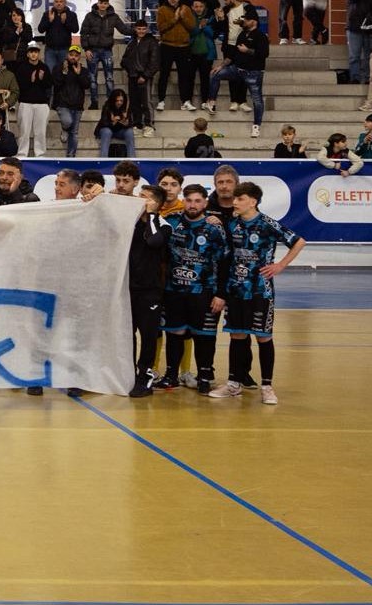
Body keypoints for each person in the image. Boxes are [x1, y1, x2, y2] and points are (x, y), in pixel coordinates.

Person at [208, 183, 305, 404]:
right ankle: (234, 384)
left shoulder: (267, 224)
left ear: (252, 201)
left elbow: (299, 242)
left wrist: (280, 265)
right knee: (237, 335)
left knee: (263, 337)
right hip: (236, 290)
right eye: (234, 198)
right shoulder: (232, 224)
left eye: (239, 199)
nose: (234, 202)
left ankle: (267, 387)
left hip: (261, 291)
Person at [157, 183, 224, 395]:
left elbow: (224, 263)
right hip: (174, 291)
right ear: (183, 201)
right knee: (175, 332)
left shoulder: (214, 228)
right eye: (189, 200)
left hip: (203, 292)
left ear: (205, 203)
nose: (192, 205)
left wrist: (221, 294)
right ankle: (171, 375)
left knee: (203, 335)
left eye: (197, 201)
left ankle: (204, 376)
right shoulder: (171, 221)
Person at [127, 183, 171, 397]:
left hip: (150, 290)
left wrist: (152, 215)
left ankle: (145, 375)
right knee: (127, 334)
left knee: (148, 335)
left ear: (155, 203)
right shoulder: (131, 221)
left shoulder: (163, 225)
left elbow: (154, 241)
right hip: (127, 289)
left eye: (143, 196)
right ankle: (128, 373)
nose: (138, 198)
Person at [202, 11, 268, 138]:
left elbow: (264, 54)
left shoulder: (261, 36)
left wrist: (247, 50)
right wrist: (221, 66)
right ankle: (212, 103)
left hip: (253, 73)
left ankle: (256, 126)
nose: (244, 22)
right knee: (215, 74)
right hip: (237, 69)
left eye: (246, 20)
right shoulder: (242, 34)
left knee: (257, 100)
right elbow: (233, 54)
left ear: (253, 21)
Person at [80, 0, 127, 108]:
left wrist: (136, 31)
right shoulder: (89, 16)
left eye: (105, 3)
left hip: (107, 51)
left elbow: (123, 29)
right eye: (101, 3)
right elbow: (84, 33)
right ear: (97, 3)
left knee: (109, 78)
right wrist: (86, 49)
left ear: (108, 4)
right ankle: (94, 103)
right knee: (92, 78)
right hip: (92, 50)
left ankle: (110, 104)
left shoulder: (114, 16)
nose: (103, 5)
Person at [155, 0, 197, 111]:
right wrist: (174, 19)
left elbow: (192, 27)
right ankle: (161, 101)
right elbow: (160, 27)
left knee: (184, 75)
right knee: (164, 74)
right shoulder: (162, 9)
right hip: (167, 45)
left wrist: (183, 17)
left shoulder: (186, 9)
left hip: (183, 46)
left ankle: (185, 101)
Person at [121, 21, 159, 137]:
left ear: (147, 29)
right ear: (135, 29)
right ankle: (137, 125)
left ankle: (149, 126)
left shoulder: (152, 42)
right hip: (132, 76)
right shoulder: (132, 42)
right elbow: (124, 60)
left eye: (143, 29)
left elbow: (154, 62)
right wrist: (130, 70)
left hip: (145, 77)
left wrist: (145, 75)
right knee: (134, 102)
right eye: (139, 29)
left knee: (146, 102)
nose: (141, 31)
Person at [15, 45, 51, 157]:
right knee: (24, 131)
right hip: (25, 103)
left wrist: (41, 79)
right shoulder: (22, 68)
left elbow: (49, 85)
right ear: (27, 54)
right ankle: (22, 154)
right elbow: (19, 86)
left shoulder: (44, 67)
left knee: (40, 132)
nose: (33, 54)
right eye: (31, 52)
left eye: (35, 52)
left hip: (41, 103)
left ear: (39, 54)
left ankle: (40, 154)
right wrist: (30, 80)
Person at [52, 46, 87, 157]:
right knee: (67, 122)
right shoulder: (59, 67)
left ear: (79, 57)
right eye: (71, 55)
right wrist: (64, 73)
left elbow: (86, 85)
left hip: (77, 105)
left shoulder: (83, 70)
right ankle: (64, 128)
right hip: (62, 104)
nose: (73, 57)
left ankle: (71, 156)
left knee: (74, 133)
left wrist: (79, 74)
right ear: (67, 55)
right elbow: (56, 84)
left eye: (76, 55)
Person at [38, 0, 80, 70]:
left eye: (61, 1)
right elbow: (40, 29)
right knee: (50, 72)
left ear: (65, 3)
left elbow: (75, 29)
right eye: (56, 1)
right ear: (53, 3)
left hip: (65, 50)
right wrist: (49, 21)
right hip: (50, 50)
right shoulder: (47, 14)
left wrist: (65, 22)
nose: (59, 3)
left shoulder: (71, 14)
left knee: (64, 72)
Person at [96, 89, 136, 157]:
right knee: (107, 132)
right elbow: (103, 123)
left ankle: (132, 159)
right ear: (113, 100)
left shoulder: (126, 108)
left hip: (119, 131)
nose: (119, 103)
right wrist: (112, 122)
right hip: (107, 129)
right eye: (117, 100)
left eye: (121, 101)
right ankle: (103, 159)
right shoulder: (107, 106)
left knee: (129, 132)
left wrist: (125, 121)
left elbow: (130, 124)